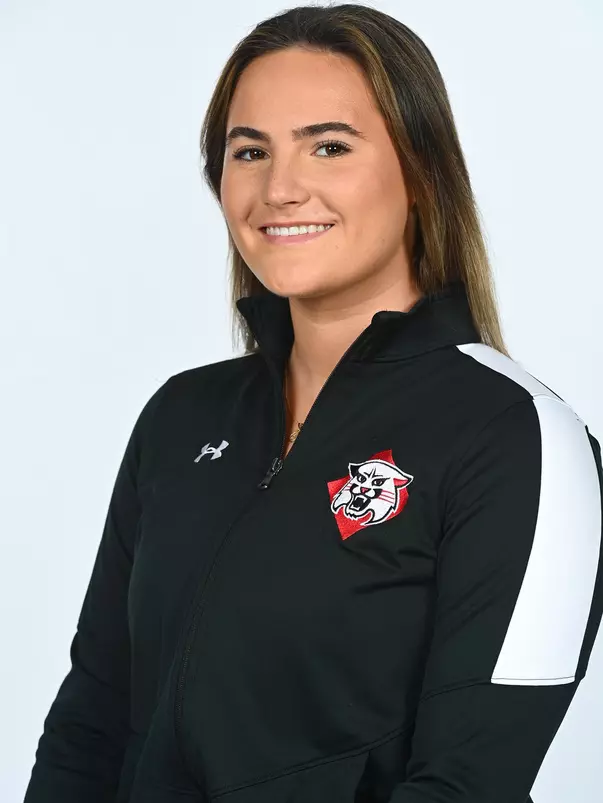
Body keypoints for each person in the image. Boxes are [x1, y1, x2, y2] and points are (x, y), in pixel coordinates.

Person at [24, 4, 603, 803]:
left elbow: (470, 783)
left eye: (328, 146)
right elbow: (90, 722)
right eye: (248, 151)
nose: (279, 188)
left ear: (421, 169)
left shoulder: (516, 435)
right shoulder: (181, 418)